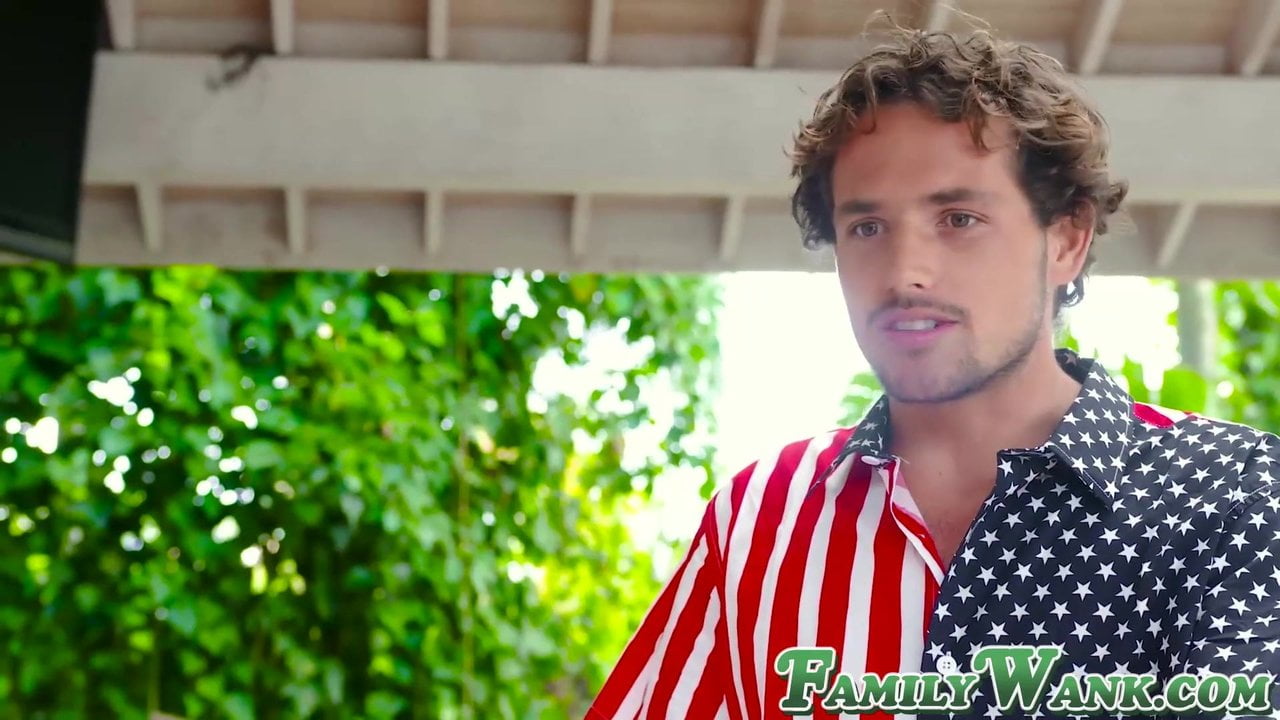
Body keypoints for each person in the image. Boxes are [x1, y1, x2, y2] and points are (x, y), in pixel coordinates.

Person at [584, 19, 1280, 720]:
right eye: (866, 228)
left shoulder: (1232, 495)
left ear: (1067, 240)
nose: (904, 273)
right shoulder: (761, 516)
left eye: (958, 220)